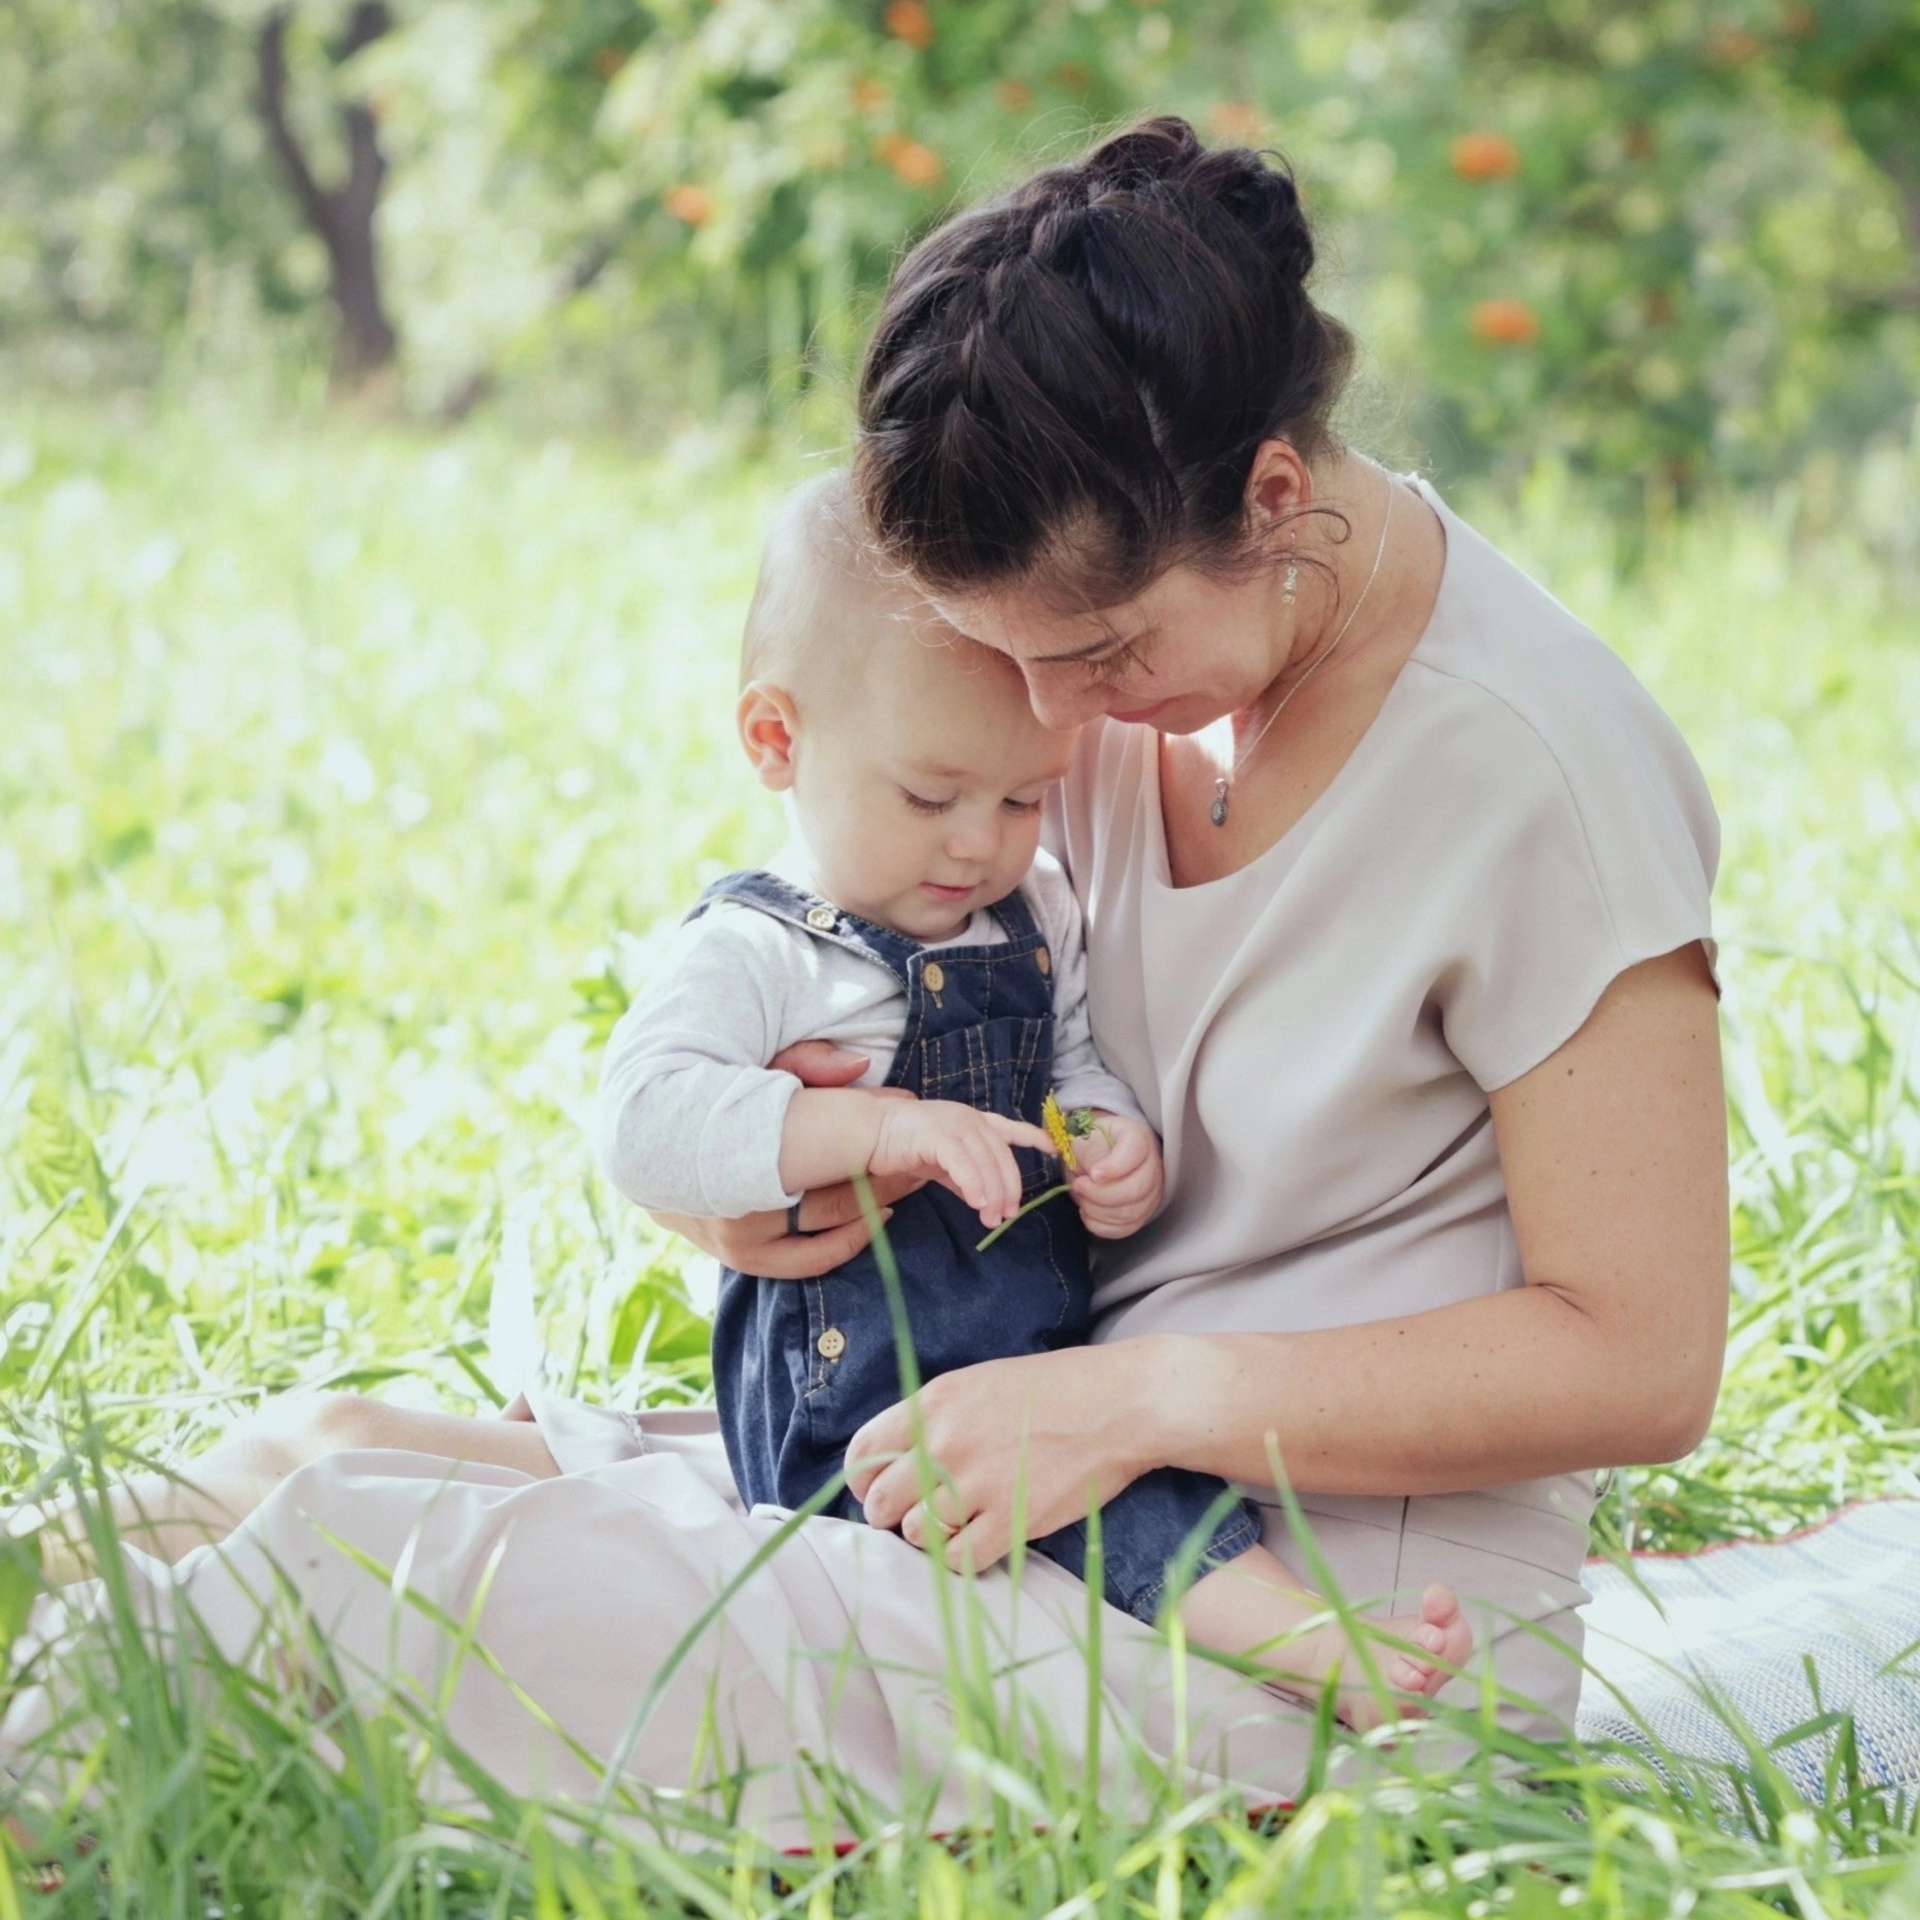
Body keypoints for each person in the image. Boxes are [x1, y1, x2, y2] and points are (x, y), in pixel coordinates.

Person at [3, 117, 1729, 1847]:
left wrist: (1134, 1406)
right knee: (303, 1456)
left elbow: (1644, 1361)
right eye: (1016, 667)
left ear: (1274, 497)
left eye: (1101, 656)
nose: (1054, 728)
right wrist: (771, 1194)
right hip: (1012, 1448)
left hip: (1325, 1625)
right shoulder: (1108, 687)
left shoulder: (1542, 774)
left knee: (360, 1578)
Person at [594, 468, 1472, 1725]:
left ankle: (1295, 1637)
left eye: (1021, 799)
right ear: (778, 741)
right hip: (851, 1412)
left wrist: (1110, 1138)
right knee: (1106, 1502)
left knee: (1128, 1477)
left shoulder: (1031, 914)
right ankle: (1307, 1650)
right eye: (930, 795)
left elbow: (1064, 1065)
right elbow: (643, 1120)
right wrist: (873, 1127)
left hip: (1025, 1365)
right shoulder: (759, 952)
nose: (977, 842)